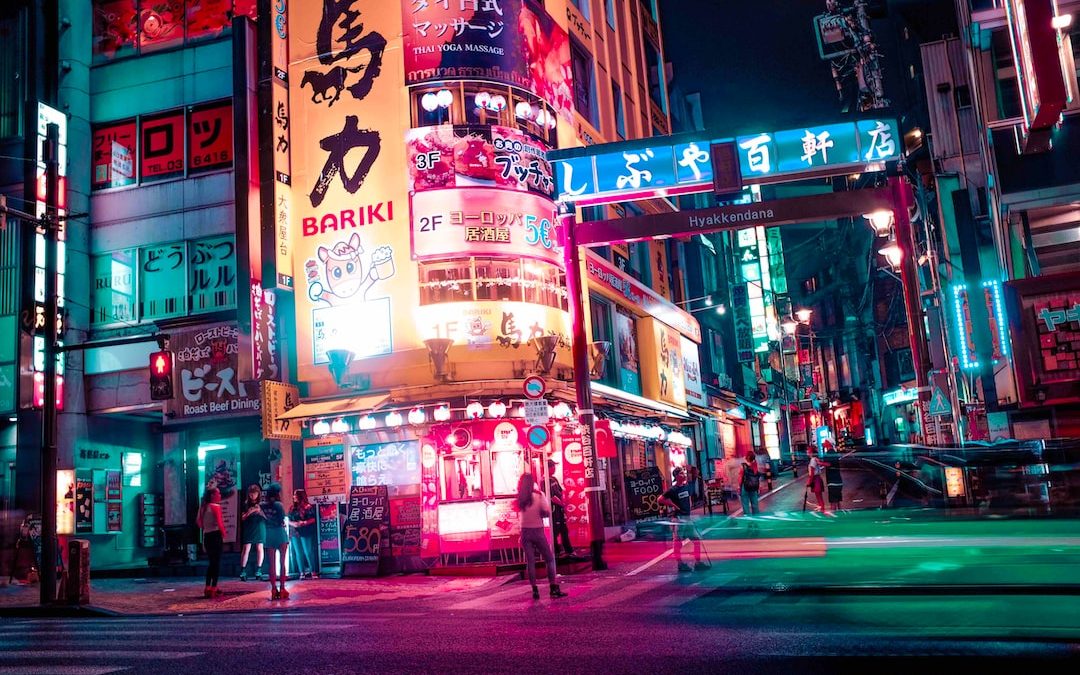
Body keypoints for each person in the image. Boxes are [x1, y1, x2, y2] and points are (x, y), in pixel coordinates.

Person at [517, 473, 566, 600]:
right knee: (549, 559)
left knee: (531, 562)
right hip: (537, 531)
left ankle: (535, 590)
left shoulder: (520, 499)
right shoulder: (539, 495)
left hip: (525, 532)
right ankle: (553, 587)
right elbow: (546, 512)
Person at [658, 467, 708, 572]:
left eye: (683, 473)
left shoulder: (686, 486)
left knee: (697, 540)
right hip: (678, 519)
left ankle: (698, 563)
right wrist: (673, 505)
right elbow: (660, 499)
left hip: (687, 518)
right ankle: (680, 564)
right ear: (676, 476)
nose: (683, 475)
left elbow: (689, 497)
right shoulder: (673, 489)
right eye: (681, 473)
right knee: (678, 543)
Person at [196, 486, 226, 599]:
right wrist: (223, 534)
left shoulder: (203, 506)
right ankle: (214, 587)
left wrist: (206, 527)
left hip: (207, 535)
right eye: (218, 493)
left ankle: (207, 587)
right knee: (216, 562)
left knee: (211, 562)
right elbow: (220, 523)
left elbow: (198, 522)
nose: (220, 496)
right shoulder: (215, 507)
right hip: (215, 535)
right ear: (213, 495)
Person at [263, 483, 290, 600]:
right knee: (282, 562)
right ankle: (283, 588)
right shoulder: (279, 505)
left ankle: (273, 589)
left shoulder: (262, 505)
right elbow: (282, 519)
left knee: (271, 564)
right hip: (279, 533)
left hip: (268, 534)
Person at [547, 460, 574, 557]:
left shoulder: (553, 479)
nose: (554, 468)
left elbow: (560, 491)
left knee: (563, 530)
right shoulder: (546, 480)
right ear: (549, 467)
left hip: (559, 509)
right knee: (555, 530)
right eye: (553, 466)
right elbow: (552, 497)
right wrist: (562, 504)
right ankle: (557, 552)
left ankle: (568, 550)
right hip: (554, 510)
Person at [289, 489, 318, 579]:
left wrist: (304, 522)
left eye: (295, 495)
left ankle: (313, 571)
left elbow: (313, 519)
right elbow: (288, 520)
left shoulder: (308, 507)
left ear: (300, 496)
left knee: (308, 551)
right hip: (295, 531)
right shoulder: (292, 508)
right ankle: (302, 572)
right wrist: (293, 523)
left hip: (305, 531)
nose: (294, 497)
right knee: (298, 552)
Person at [239, 484, 265, 581]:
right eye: (250, 493)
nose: (252, 495)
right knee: (246, 548)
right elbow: (242, 517)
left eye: (254, 493)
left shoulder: (262, 504)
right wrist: (250, 511)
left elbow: (267, 517)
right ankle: (243, 570)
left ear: (258, 494)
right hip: (249, 527)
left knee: (260, 547)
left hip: (260, 526)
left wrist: (260, 511)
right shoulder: (245, 504)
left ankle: (259, 570)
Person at [739, 451, 762, 515]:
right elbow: (757, 476)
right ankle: (756, 516)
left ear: (747, 457)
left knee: (745, 503)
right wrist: (759, 487)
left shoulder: (743, 465)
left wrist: (739, 486)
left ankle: (748, 517)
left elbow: (740, 477)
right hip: (754, 486)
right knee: (755, 503)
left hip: (745, 486)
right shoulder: (755, 465)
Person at [807, 448, 828, 513]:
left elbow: (812, 472)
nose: (807, 453)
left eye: (808, 452)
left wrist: (809, 482)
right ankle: (822, 509)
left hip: (816, 479)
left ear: (812, 453)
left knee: (818, 496)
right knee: (819, 496)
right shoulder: (814, 459)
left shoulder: (813, 460)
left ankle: (822, 510)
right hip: (817, 479)